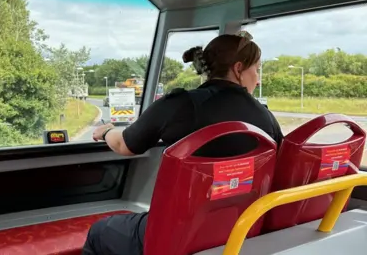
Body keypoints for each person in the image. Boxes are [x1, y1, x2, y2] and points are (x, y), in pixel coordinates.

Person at [82, 31, 283, 255]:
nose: (258, 78)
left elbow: (123, 145)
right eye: (256, 69)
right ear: (238, 69)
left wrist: (107, 130)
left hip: (177, 235)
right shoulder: (266, 118)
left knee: (100, 232)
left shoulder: (179, 105)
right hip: (239, 232)